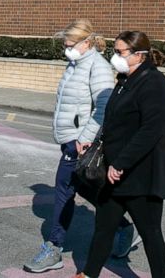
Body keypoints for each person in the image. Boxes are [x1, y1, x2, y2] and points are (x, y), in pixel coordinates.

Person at [24, 20, 140, 273]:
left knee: (63, 191)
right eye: (65, 44)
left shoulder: (97, 67)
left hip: (80, 143)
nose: (67, 48)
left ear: (86, 42)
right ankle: (124, 227)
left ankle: (54, 247)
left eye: (70, 44)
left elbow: (104, 107)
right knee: (87, 189)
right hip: (70, 139)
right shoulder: (75, 64)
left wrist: (84, 138)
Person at [75, 31, 165, 278]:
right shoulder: (125, 80)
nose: (115, 56)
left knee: (151, 233)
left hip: (141, 174)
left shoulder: (155, 84)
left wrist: (121, 162)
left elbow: (151, 131)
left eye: (120, 52)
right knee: (103, 229)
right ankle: (88, 274)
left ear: (139, 55)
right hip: (115, 174)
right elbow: (114, 122)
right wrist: (95, 143)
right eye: (115, 51)